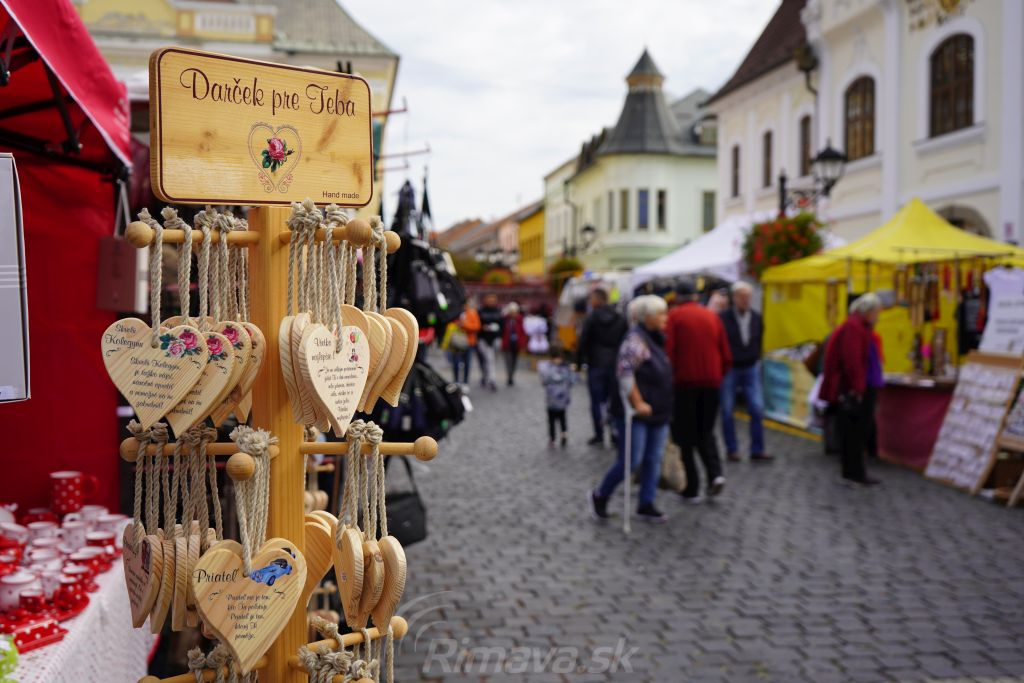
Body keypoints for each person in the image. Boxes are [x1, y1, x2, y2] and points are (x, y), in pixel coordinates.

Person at [591, 295, 673, 523]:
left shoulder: (655, 338)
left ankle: (646, 502)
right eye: (661, 314)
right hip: (636, 412)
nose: (665, 318)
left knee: (653, 458)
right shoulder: (635, 340)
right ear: (647, 317)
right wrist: (637, 403)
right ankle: (601, 494)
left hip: (658, 409)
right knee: (631, 460)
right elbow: (625, 374)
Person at [666, 279, 732, 503]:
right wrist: (718, 374)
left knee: (684, 435)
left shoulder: (675, 317)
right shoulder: (712, 317)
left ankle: (691, 487)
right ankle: (715, 474)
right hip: (711, 382)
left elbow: (669, 352)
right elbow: (726, 353)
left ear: (678, 296)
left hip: (685, 383)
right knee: (706, 431)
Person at [820, 293, 884, 486]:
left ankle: (853, 470)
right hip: (854, 389)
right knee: (855, 431)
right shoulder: (855, 328)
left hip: (855, 386)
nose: (878, 317)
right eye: (876, 312)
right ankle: (854, 471)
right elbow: (852, 361)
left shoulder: (856, 326)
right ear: (868, 311)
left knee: (854, 431)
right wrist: (857, 388)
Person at [719, 281, 770, 462]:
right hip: (730, 368)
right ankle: (732, 449)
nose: (745, 300)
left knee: (756, 408)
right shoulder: (723, 318)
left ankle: (757, 448)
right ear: (734, 298)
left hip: (750, 366)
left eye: (748, 297)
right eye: (742, 297)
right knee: (727, 410)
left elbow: (759, 339)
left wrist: (755, 357)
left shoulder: (756, 317)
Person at [576, 288, 628, 445]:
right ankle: (615, 432)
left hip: (596, 363)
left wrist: (578, 362)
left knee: (596, 402)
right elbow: (625, 341)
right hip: (614, 364)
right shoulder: (620, 317)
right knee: (614, 399)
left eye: (591, 299)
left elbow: (583, 341)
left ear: (597, 300)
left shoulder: (591, 318)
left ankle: (599, 434)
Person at [539, 345, 575, 448]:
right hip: (562, 400)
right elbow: (572, 381)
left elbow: (544, 381)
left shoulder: (547, 368)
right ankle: (564, 434)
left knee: (552, 420)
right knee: (562, 418)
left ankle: (552, 439)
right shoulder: (566, 368)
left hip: (551, 400)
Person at [445, 300, 479, 390]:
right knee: (455, 362)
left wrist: (464, 325)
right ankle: (456, 381)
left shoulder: (472, 313)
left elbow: (476, 326)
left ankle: (465, 382)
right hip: (456, 341)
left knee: (467, 362)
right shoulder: (455, 313)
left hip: (468, 342)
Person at [477, 294, 503, 391]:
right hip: (484, 339)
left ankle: (488, 377)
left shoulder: (498, 311)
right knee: (488, 359)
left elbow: (502, 325)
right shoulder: (480, 311)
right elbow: (477, 325)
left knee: (492, 360)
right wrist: (483, 328)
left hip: (495, 338)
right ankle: (491, 379)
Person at [501, 302, 527, 385]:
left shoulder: (520, 320)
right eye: (511, 312)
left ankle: (511, 375)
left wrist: (522, 344)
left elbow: (523, 332)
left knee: (514, 361)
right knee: (508, 361)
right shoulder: (505, 320)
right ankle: (509, 376)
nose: (513, 314)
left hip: (516, 344)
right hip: (507, 344)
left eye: (514, 312)